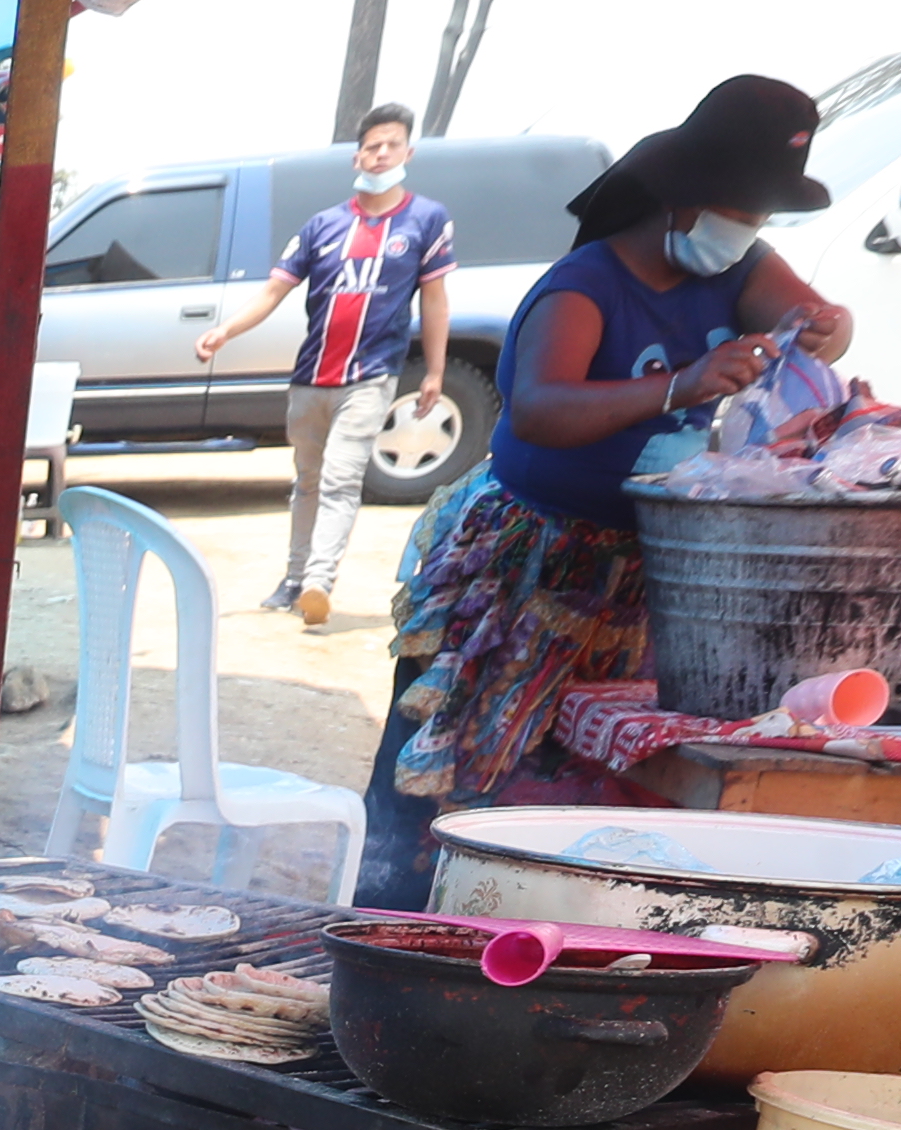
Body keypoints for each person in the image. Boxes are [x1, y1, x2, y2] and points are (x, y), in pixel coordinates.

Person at [360, 76, 853, 908]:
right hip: (532, 567)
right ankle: (404, 923)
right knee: (464, 782)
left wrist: (828, 326)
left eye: (763, 218)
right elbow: (542, 411)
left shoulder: (741, 265)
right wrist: (679, 386)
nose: (750, 233)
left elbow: (815, 321)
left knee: (591, 793)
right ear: (682, 200)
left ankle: (556, 938)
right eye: (742, 212)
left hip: (642, 575)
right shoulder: (583, 287)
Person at [198, 102, 455, 631]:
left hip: (371, 377)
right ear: (357, 155)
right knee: (308, 482)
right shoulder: (323, 226)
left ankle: (319, 580)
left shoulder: (426, 220)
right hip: (311, 378)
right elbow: (274, 290)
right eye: (372, 145)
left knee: (340, 480)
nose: (381, 154)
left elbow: (434, 300)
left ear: (409, 152)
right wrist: (225, 330)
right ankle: (294, 578)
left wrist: (434, 371)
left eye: (391, 144)